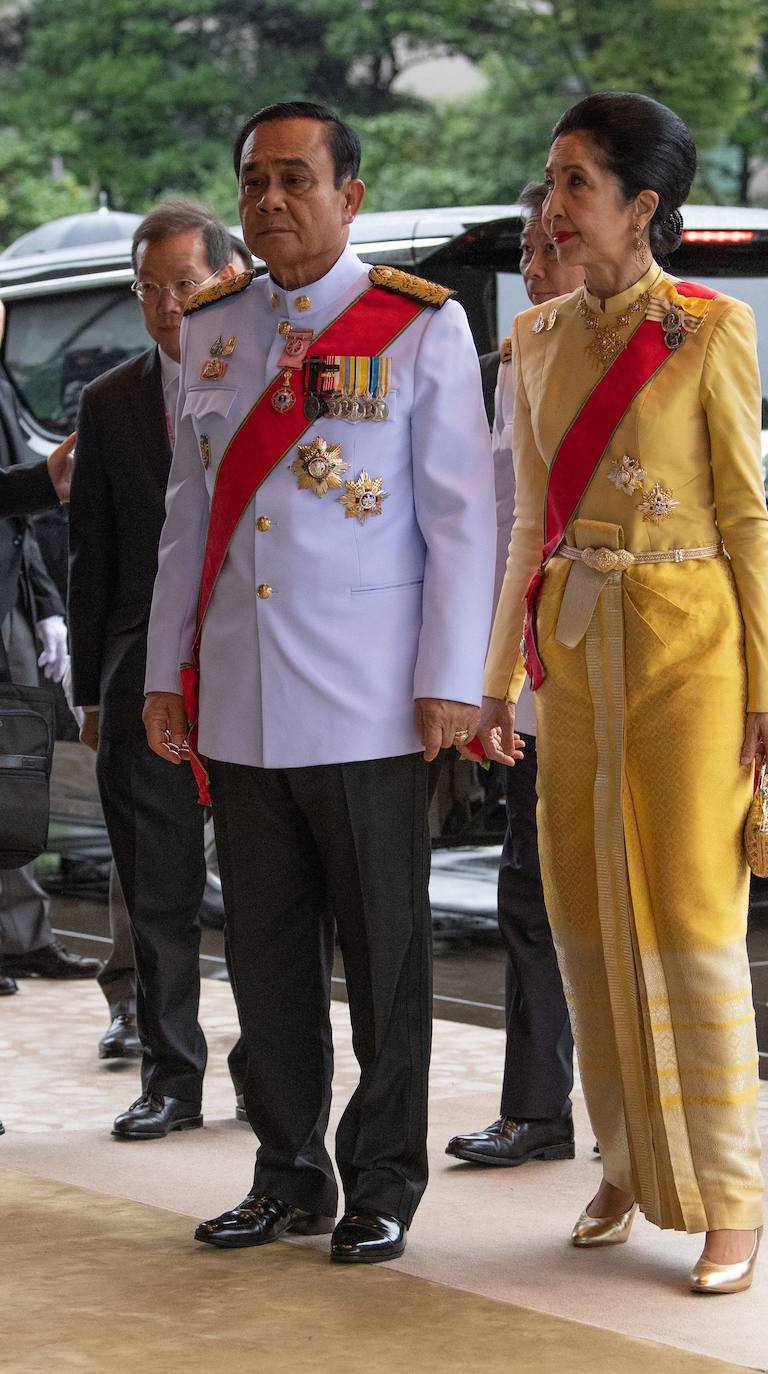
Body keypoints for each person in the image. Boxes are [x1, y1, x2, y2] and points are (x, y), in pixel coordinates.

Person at [142, 101, 495, 1262]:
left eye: (296, 179)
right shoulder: (214, 326)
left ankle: (383, 1180)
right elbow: (186, 520)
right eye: (253, 182)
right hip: (241, 702)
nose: (272, 201)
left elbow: (460, 523)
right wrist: (166, 671)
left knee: (384, 955)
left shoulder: (414, 325)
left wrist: (453, 677)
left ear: (350, 194)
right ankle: (287, 1172)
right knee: (265, 954)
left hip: (368, 698)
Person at [477, 92, 768, 1294]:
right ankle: (624, 1159)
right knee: (585, 915)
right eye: (551, 181)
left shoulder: (711, 328)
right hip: (574, 649)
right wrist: (497, 678)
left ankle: (728, 1197)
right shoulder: (535, 339)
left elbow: (748, 519)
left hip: (692, 653)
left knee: (692, 921)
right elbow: (524, 527)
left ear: (640, 205)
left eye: (575, 184)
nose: (553, 204)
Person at [69, 201, 243, 1137]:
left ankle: (272, 1074)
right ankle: (171, 1077)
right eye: (148, 289)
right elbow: (90, 558)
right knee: (158, 887)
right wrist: (93, 694)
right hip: (147, 675)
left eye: (184, 284)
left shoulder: (271, 376)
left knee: (267, 890)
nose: (167, 306)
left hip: (259, 663)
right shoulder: (111, 401)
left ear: (226, 275)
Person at [446, 182, 584, 1168]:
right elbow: (500, 532)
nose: (530, 270)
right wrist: (487, 677)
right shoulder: (513, 361)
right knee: (529, 894)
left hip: (647, 672)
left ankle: (647, 1121)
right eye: (528, 251)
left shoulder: (674, 344)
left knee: (634, 908)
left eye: (547, 249)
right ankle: (537, 1108)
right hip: (538, 674)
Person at [0, 314, 99, 995]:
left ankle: (20, 933)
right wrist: (42, 480)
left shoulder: (1, 382)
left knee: (13, 770)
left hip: (7, 599)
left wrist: (46, 608)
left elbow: (16, 523)